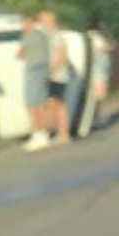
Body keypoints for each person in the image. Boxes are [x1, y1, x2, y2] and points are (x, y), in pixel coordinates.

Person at [19, 13, 52, 152]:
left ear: (30, 23)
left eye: (24, 23)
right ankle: (39, 134)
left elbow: (21, 54)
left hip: (36, 70)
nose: (22, 26)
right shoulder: (40, 35)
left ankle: (41, 134)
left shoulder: (32, 36)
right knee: (35, 104)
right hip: (38, 70)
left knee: (35, 105)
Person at [42, 11, 73, 145]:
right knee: (54, 104)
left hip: (57, 76)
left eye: (44, 21)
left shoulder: (56, 37)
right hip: (56, 75)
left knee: (59, 105)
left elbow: (61, 56)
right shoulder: (52, 36)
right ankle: (59, 133)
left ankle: (63, 134)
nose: (42, 24)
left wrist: (49, 71)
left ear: (51, 22)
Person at [88, 27, 113, 127]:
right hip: (99, 73)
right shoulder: (96, 38)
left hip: (100, 73)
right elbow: (106, 48)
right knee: (99, 96)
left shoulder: (96, 39)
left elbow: (106, 48)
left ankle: (99, 117)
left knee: (99, 96)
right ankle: (98, 117)